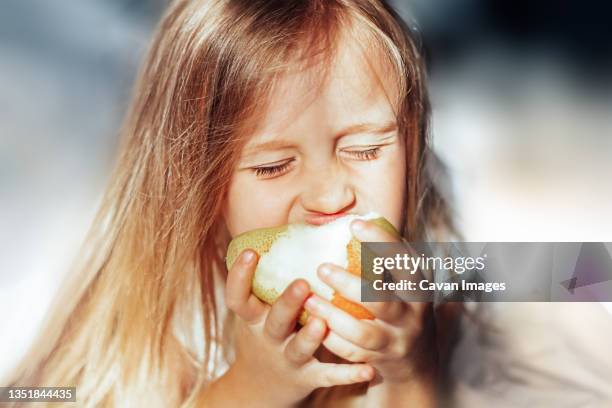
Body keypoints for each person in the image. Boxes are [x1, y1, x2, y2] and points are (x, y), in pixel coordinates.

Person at [6, 0, 457, 406]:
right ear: (192, 180)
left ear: (413, 140)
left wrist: (412, 371)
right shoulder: (160, 325)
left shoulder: (446, 302)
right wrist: (253, 387)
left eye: (364, 150)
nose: (331, 197)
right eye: (274, 166)